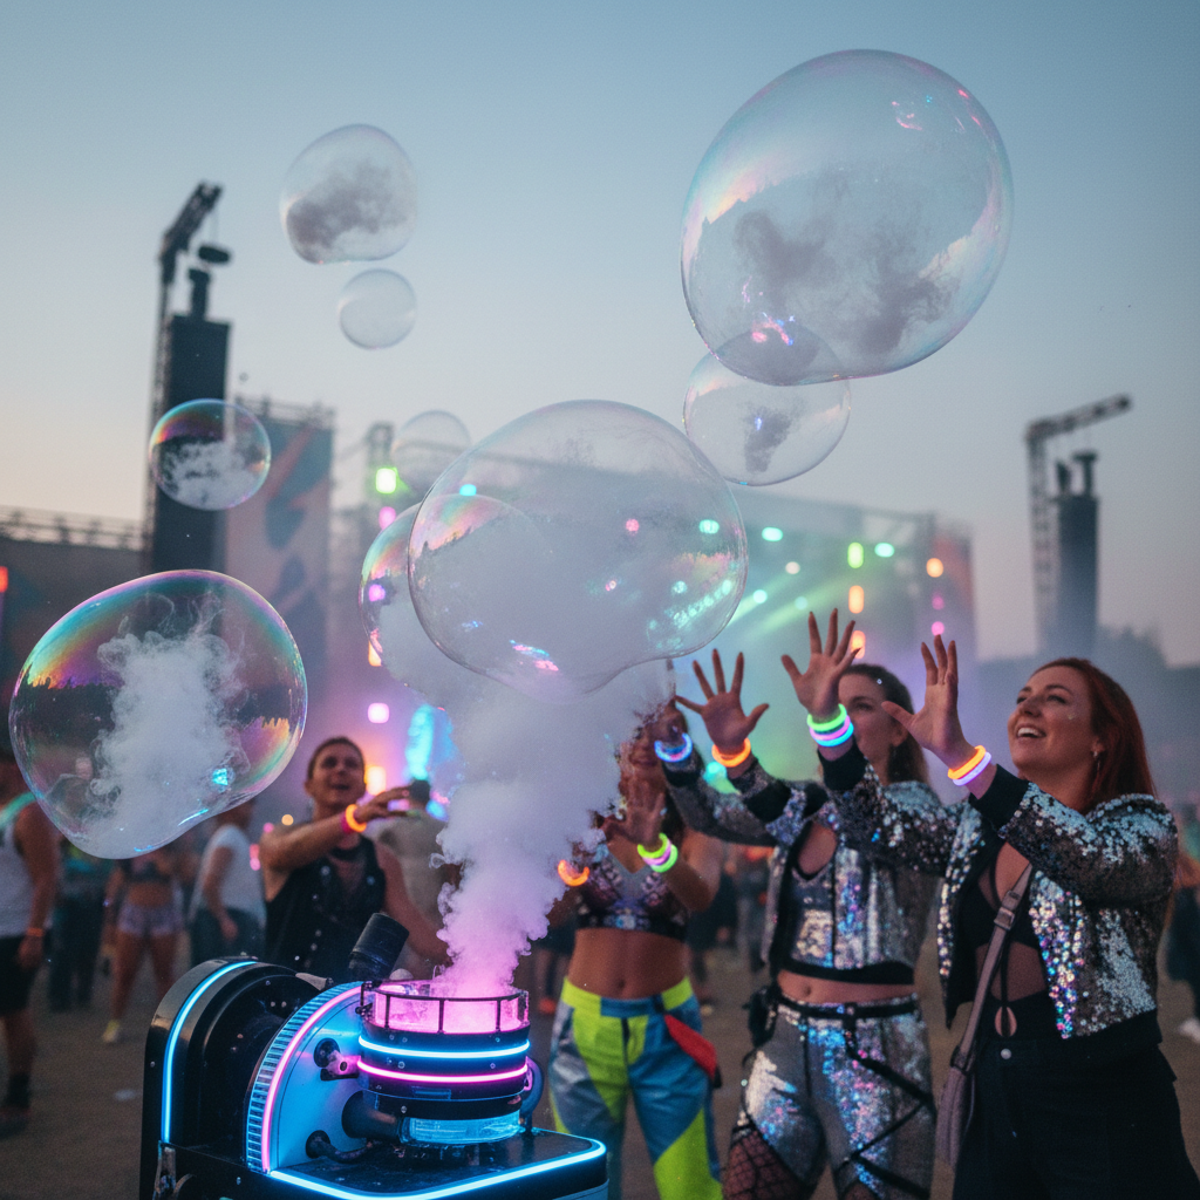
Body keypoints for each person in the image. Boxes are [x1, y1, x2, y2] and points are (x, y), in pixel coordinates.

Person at [808, 617, 1200, 1198]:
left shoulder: (1141, 824)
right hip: (995, 1076)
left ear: (1101, 738)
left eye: (1055, 699)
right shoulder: (976, 823)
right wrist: (827, 725)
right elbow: (876, 827)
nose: (1028, 709)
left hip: (1101, 1090)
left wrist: (965, 758)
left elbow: (1084, 857)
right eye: (1022, 700)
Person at [666, 632, 940, 1200]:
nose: (839, 713)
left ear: (898, 729)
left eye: (856, 706)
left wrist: (785, 740)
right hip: (783, 1041)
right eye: (832, 704)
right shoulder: (806, 807)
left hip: (877, 1052)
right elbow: (711, 813)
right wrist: (678, 747)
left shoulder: (917, 811)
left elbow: (863, 816)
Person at [548, 713, 725, 1200]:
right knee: (579, 1185)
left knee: (690, 1185)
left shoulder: (698, 821)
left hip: (669, 1028)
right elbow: (554, 914)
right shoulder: (586, 816)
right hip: (584, 1030)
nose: (647, 743)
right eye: (637, 731)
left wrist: (658, 849)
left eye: (664, 733)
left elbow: (702, 895)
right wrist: (576, 866)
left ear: (682, 747)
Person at [260, 736, 448, 981]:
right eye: (329, 763)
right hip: (282, 1008)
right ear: (309, 786)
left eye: (351, 764)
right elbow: (282, 853)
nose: (340, 769)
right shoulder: (281, 837)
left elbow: (422, 937)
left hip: (346, 1010)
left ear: (362, 786)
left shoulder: (382, 859)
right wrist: (354, 818)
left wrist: (488, 952)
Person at [0, 748, 58, 1137]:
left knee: (14, 1010)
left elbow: (47, 877)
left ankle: (19, 1096)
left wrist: (34, 934)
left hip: (18, 932)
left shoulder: (28, 813)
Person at [368, 778, 457, 980]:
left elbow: (374, 850)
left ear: (409, 796)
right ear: (429, 797)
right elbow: (452, 868)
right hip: (432, 888)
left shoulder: (392, 825)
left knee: (397, 944)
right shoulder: (441, 828)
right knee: (425, 947)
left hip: (399, 886)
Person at [101, 844, 188, 1044]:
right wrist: (110, 913)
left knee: (164, 973)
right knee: (124, 972)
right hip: (134, 912)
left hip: (163, 912)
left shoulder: (172, 847)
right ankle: (115, 1023)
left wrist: (162, 855)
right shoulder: (132, 847)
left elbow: (178, 873)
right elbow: (118, 879)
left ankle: (168, 1028)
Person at [189, 802, 265, 964]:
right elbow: (210, 883)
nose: (252, 811)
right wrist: (224, 919)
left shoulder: (233, 836)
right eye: (247, 805)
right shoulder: (229, 836)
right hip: (220, 921)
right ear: (231, 810)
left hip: (226, 918)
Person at [47, 841, 110, 1012]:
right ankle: (59, 998)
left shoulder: (100, 845)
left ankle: (82, 995)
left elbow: (107, 872)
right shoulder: (62, 843)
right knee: (63, 953)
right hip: (67, 905)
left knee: (87, 951)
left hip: (91, 904)